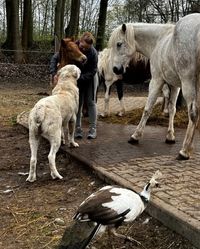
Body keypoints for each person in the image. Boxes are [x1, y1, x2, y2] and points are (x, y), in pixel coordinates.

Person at [49, 32, 98, 139]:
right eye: (82, 47)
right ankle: (77, 129)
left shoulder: (93, 53)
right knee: (78, 104)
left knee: (90, 102)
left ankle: (93, 128)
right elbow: (55, 58)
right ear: (79, 42)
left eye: (87, 48)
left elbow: (93, 70)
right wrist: (54, 73)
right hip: (76, 78)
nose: (84, 49)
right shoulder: (73, 46)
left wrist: (79, 77)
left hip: (89, 78)